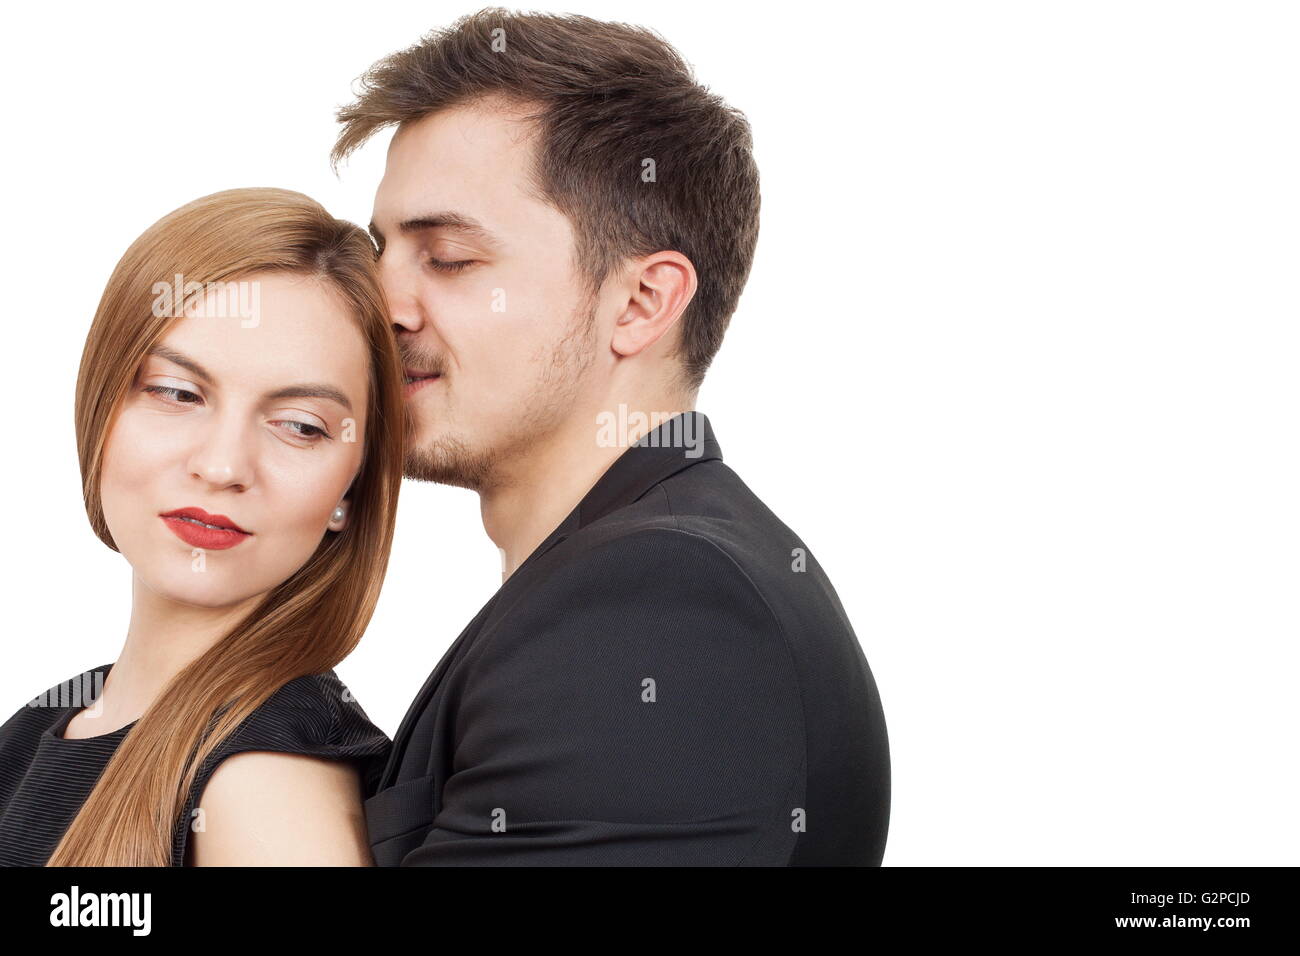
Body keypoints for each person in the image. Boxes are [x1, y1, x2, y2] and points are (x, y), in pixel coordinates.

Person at [336, 8, 890, 865]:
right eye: (381, 254)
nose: (384, 304)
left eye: (446, 258)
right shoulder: (639, 577)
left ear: (641, 303)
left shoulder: (664, 604)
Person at [0, 188, 405, 866]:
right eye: (177, 393)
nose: (221, 467)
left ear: (352, 491)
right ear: (101, 408)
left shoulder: (267, 777)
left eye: (300, 426)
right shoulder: (42, 727)